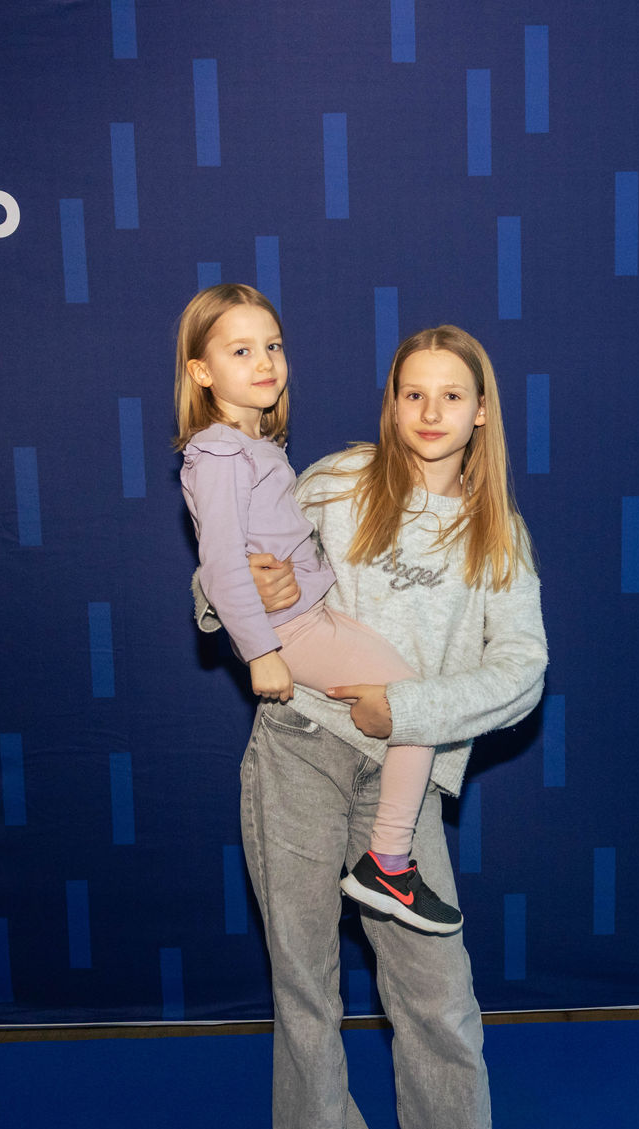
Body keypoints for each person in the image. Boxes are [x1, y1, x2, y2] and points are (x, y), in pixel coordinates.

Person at [196, 324, 546, 1129]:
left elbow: (523, 670)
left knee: (437, 992)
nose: (430, 412)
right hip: (298, 748)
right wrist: (246, 589)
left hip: (404, 776)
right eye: (412, 393)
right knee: (304, 981)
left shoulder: (498, 533)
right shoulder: (332, 483)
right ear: (390, 404)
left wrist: (408, 708)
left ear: (481, 412)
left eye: (451, 395)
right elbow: (218, 571)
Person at [175, 283, 461, 933]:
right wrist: (262, 652)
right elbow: (220, 566)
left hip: (312, 617)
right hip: (291, 630)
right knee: (417, 709)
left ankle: (387, 859)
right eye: (241, 351)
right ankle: (388, 864)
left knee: (414, 702)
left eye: (272, 346)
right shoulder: (218, 454)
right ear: (201, 372)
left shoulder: (255, 446)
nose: (264, 362)